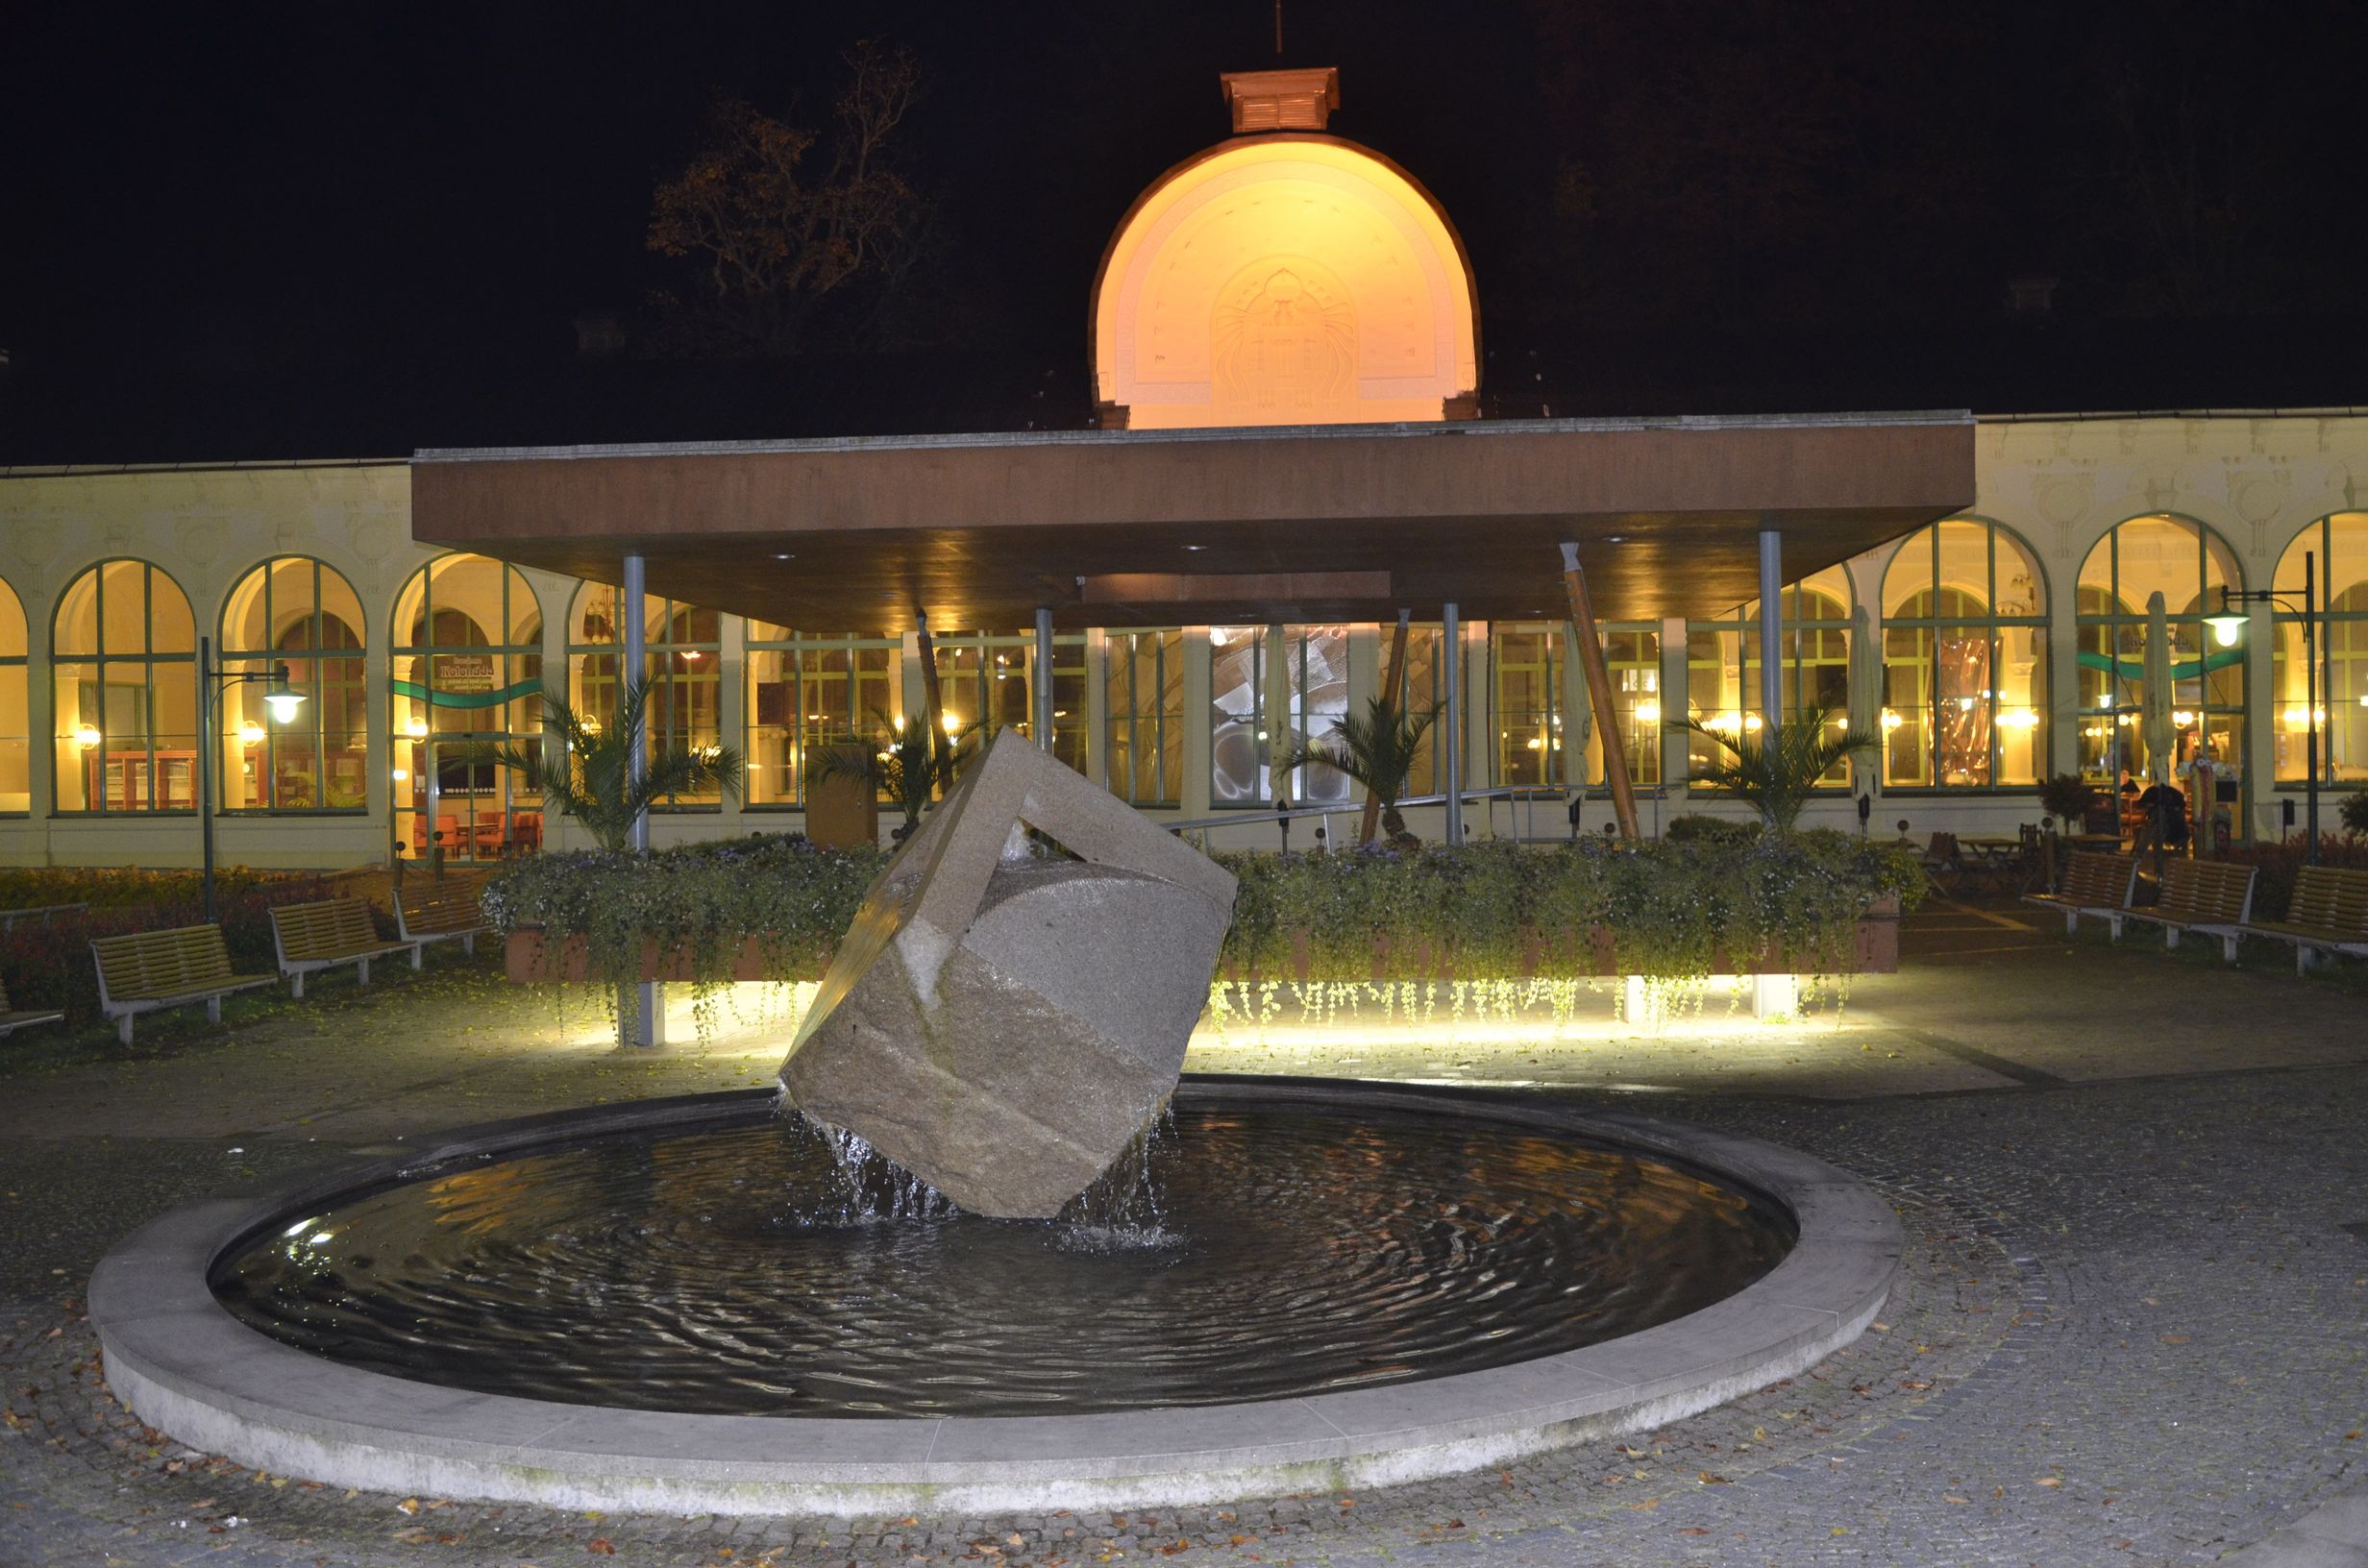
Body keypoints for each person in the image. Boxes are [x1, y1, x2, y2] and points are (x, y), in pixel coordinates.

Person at [2134, 777, 2190, 853]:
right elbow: (2142, 804)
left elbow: (2181, 805)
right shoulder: (2155, 791)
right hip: (2159, 819)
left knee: (2171, 822)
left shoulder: (2158, 791)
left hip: (2169, 818)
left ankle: (2173, 842)